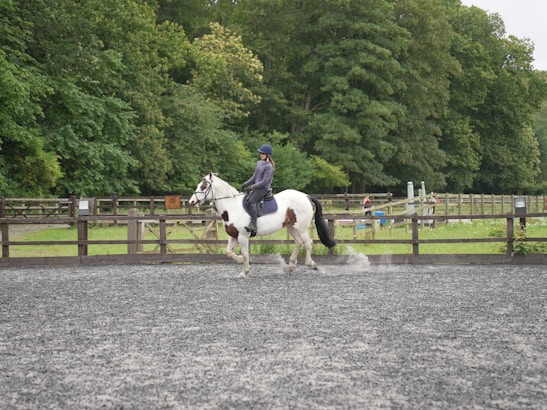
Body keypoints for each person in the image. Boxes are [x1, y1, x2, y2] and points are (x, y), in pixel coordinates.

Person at [240, 144, 275, 237]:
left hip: (263, 188)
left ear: (268, 155)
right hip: (257, 187)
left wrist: (252, 187)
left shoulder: (269, 167)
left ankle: (254, 225)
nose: (261, 155)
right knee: (246, 198)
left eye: (263, 154)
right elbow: (254, 176)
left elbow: (264, 181)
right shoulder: (259, 163)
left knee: (251, 200)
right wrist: (245, 184)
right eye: (261, 154)